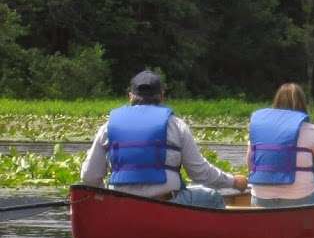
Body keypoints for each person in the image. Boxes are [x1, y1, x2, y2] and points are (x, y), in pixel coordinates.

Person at [81, 70, 247, 208]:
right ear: (161, 96)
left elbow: (89, 176)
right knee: (212, 197)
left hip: (121, 206)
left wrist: (105, 200)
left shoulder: (108, 126)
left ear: (130, 96)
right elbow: (200, 173)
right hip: (165, 203)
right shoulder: (176, 125)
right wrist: (233, 182)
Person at [247, 83, 314, 207]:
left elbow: (250, 167)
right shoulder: (309, 130)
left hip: (260, 200)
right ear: (303, 104)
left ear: (276, 102)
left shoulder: (257, 129)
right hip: (301, 199)